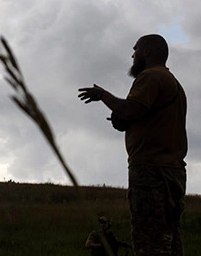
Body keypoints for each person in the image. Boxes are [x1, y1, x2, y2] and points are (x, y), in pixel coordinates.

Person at [79, 34, 188, 256]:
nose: (132, 55)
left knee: (150, 240)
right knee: (169, 237)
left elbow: (131, 110)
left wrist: (102, 95)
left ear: (147, 52)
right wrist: (122, 120)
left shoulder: (150, 77)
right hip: (172, 171)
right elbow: (140, 115)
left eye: (135, 50)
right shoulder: (172, 81)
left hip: (151, 171)